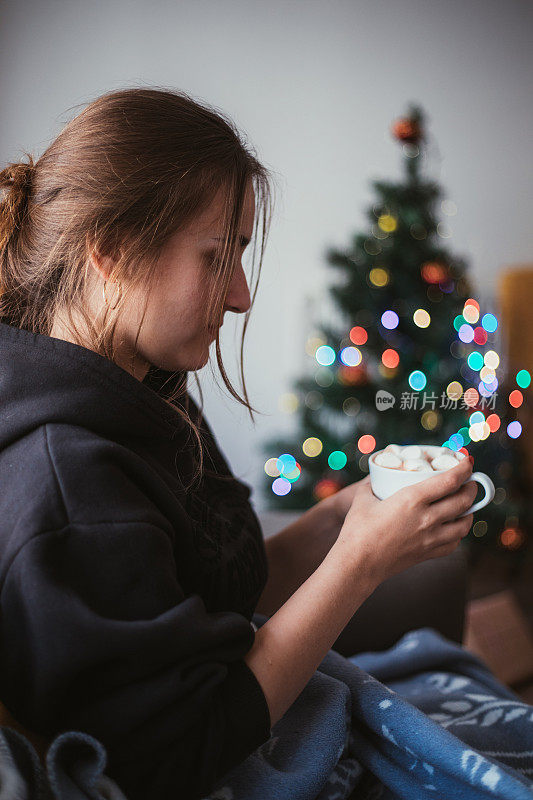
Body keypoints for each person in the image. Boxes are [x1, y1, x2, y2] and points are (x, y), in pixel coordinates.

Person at [0, 87, 477, 800]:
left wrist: (339, 518)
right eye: (217, 255)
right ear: (113, 250)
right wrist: (359, 562)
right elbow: (182, 755)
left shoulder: (146, 387)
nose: (240, 295)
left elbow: (218, 595)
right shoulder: (72, 483)